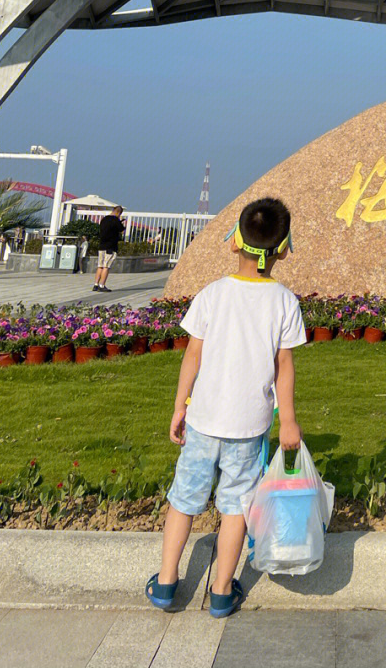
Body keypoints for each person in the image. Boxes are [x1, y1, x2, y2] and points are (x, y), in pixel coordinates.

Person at [145, 197, 306, 618]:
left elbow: (192, 357)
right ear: (283, 248)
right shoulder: (285, 302)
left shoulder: (212, 294)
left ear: (234, 240)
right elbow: (283, 366)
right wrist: (287, 421)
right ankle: (220, 591)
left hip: (203, 421)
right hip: (249, 428)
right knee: (235, 508)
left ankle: (165, 584)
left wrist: (180, 407)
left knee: (183, 501)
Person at [93, 206, 124, 292]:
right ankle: (102, 285)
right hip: (110, 246)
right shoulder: (116, 220)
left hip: (102, 245)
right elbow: (121, 230)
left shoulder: (104, 219)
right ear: (119, 213)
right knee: (106, 266)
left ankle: (96, 284)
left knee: (100, 266)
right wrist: (119, 221)